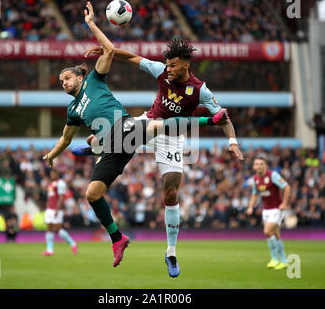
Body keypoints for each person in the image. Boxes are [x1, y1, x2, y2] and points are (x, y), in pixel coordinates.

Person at [43, 1, 230, 268]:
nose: (64, 84)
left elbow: (109, 50)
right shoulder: (73, 109)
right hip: (117, 145)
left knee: (155, 126)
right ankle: (117, 239)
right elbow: (64, 138)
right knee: (92, 194)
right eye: (61, 82)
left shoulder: (95, 79)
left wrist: (92, 24)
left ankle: (209, 121)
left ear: (79, 77)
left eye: (67, 79)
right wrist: (51, 155)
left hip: (127, 127)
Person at [83, 38, 243, 277]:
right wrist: (109, 51)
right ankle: (100, 144)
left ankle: (170, 252)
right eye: (167, 64)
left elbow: (223, 117)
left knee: (170, 192)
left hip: (172, 138)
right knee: (122, 127)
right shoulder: (160, 71)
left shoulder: (200, 90)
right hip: (149, 123)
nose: (168, 68)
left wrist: (232, 142)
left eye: (174, 65)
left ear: (186, 64)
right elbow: (132, 57)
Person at [246, 155, 291, 270]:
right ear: (254, 166)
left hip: (276, 209)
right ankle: (284, 261)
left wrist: (284, 203)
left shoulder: (273, 175)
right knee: (276, 235)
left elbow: (287, 187)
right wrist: (251, 206)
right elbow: (255, 193)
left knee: (267, 231)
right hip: (266, 210)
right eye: (257, 164)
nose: (259, 166)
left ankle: (274, 258)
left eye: (261, 164)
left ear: (265, 166)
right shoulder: (255, 178)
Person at [41, 169, 78, 256]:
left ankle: (72, 243)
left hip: (57, 209)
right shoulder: (51, 184)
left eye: (54, 173)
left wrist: (57, 209)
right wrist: (47, 206)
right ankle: (49, 250)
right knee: (49, 228)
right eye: (51, 174)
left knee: (58, 229)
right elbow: (50, 196)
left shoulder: (60, 183)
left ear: (57, 174)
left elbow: (61, 197)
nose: (52, 175)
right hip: (50, 209)